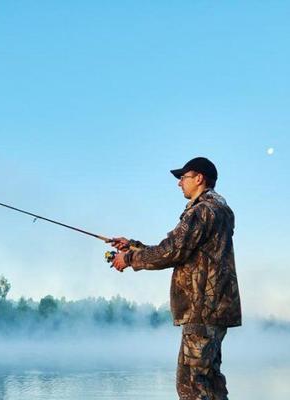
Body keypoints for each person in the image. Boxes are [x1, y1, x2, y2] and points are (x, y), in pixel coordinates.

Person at [109, 157, 241, 400]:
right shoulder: (217, 211)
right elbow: (183, 252)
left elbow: (171, 251)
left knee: (192, 387)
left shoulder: (202, 212)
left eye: (184, 177)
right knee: (209, 383)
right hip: (214, 310)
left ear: (199, 178)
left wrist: (128, 259)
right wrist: (134, 247)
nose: (179, 183)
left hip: (201, 310)